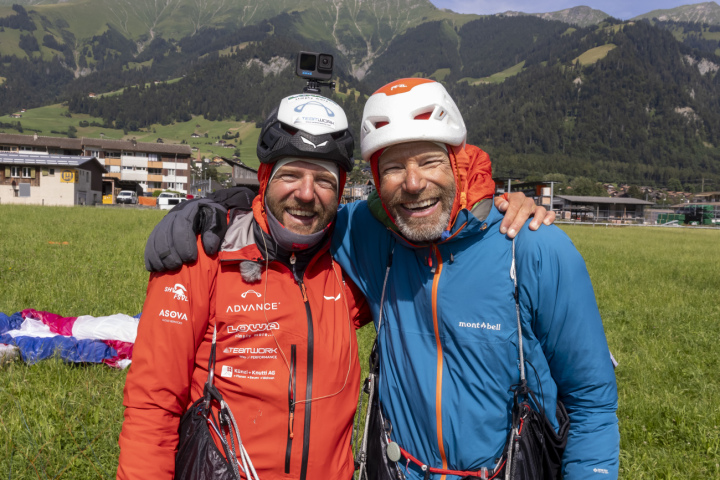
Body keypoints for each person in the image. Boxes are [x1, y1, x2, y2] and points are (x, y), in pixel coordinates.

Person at [119, 91, 551, 480]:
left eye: (324, 180)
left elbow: (430, 229)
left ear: (341, 190)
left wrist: (497, 205)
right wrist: (211, 204)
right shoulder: (204, 256)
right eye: (291, 175)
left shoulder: (351, 267)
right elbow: (152, 406)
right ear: (265, 177)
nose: (307, 194)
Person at [331, 78, 620, 479]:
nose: (413, 184)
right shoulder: (369, 233)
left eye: (429, 161)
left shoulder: (533, 247)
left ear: (458, 163)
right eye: (394, 167)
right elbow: (296, 211)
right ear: (378, 180)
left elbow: (591, 401)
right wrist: (228, 205)